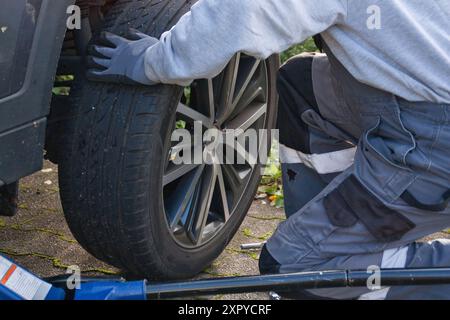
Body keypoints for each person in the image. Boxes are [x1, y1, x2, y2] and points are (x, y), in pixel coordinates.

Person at [87, 0, 450, 299]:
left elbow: (240, 11)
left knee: (297, 272)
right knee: (299, 88)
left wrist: (153, 62)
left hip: (432, 141)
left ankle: (334, 259)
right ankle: (334, 233)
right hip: (410, 103)